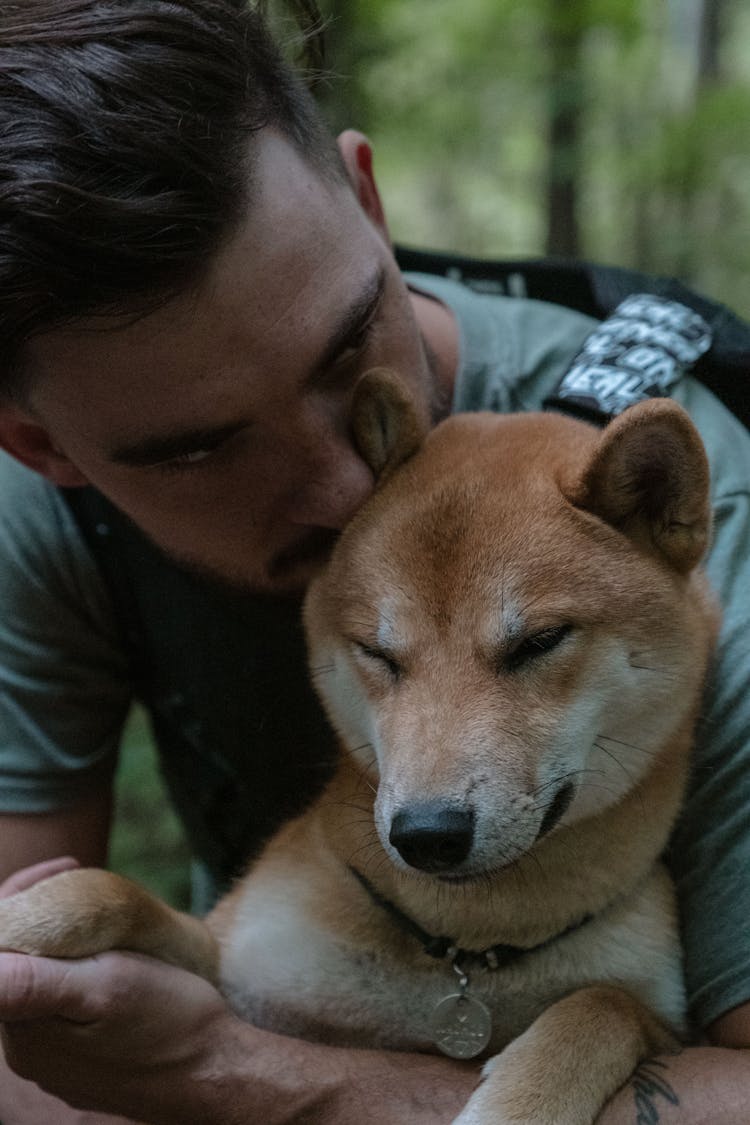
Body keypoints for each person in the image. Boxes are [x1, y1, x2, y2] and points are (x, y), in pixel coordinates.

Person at [0, 2, 748, 1122]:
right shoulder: (38, 525)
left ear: (368, 201)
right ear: (45, 448)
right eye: (202, 447)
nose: (352, 493)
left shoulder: (702, 515)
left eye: (346, 350)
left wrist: (248, 1081)